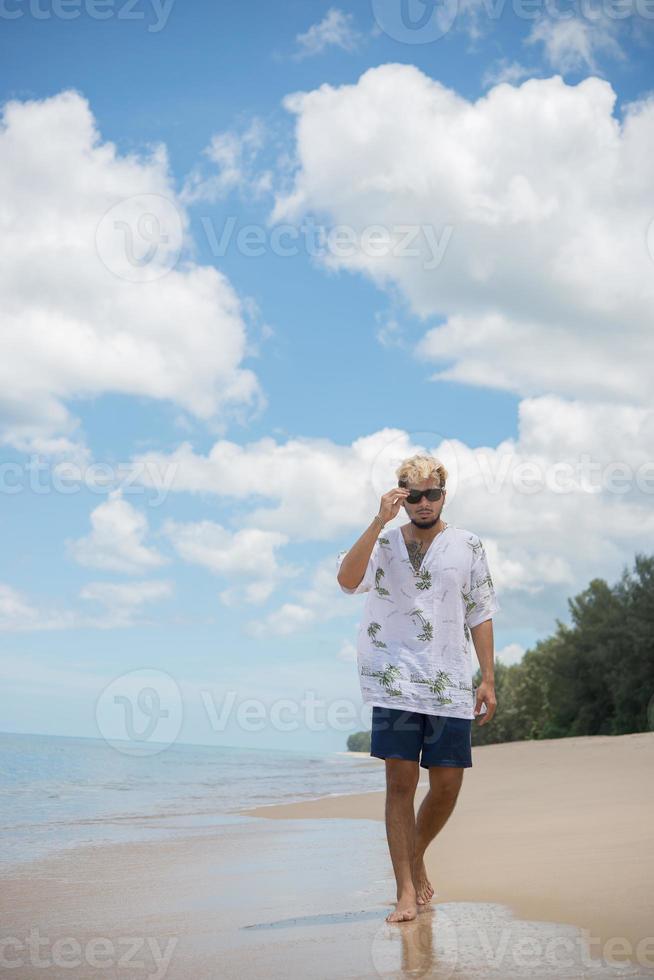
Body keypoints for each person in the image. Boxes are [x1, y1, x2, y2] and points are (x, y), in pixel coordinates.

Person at [336, 454, 500, 923]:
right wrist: (377, 520)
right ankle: (405, 891)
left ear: (444, 495)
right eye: (414, 495)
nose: (424, 503)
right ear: (402, 495)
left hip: (449, 678)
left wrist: (487, 677)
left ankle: (415, 854)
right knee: (399, 784)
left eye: (432, 494)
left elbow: (481, 610)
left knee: (448, 783)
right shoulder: (383, 543)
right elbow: (348, 581)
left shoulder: (467, 544)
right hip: (393, 679)